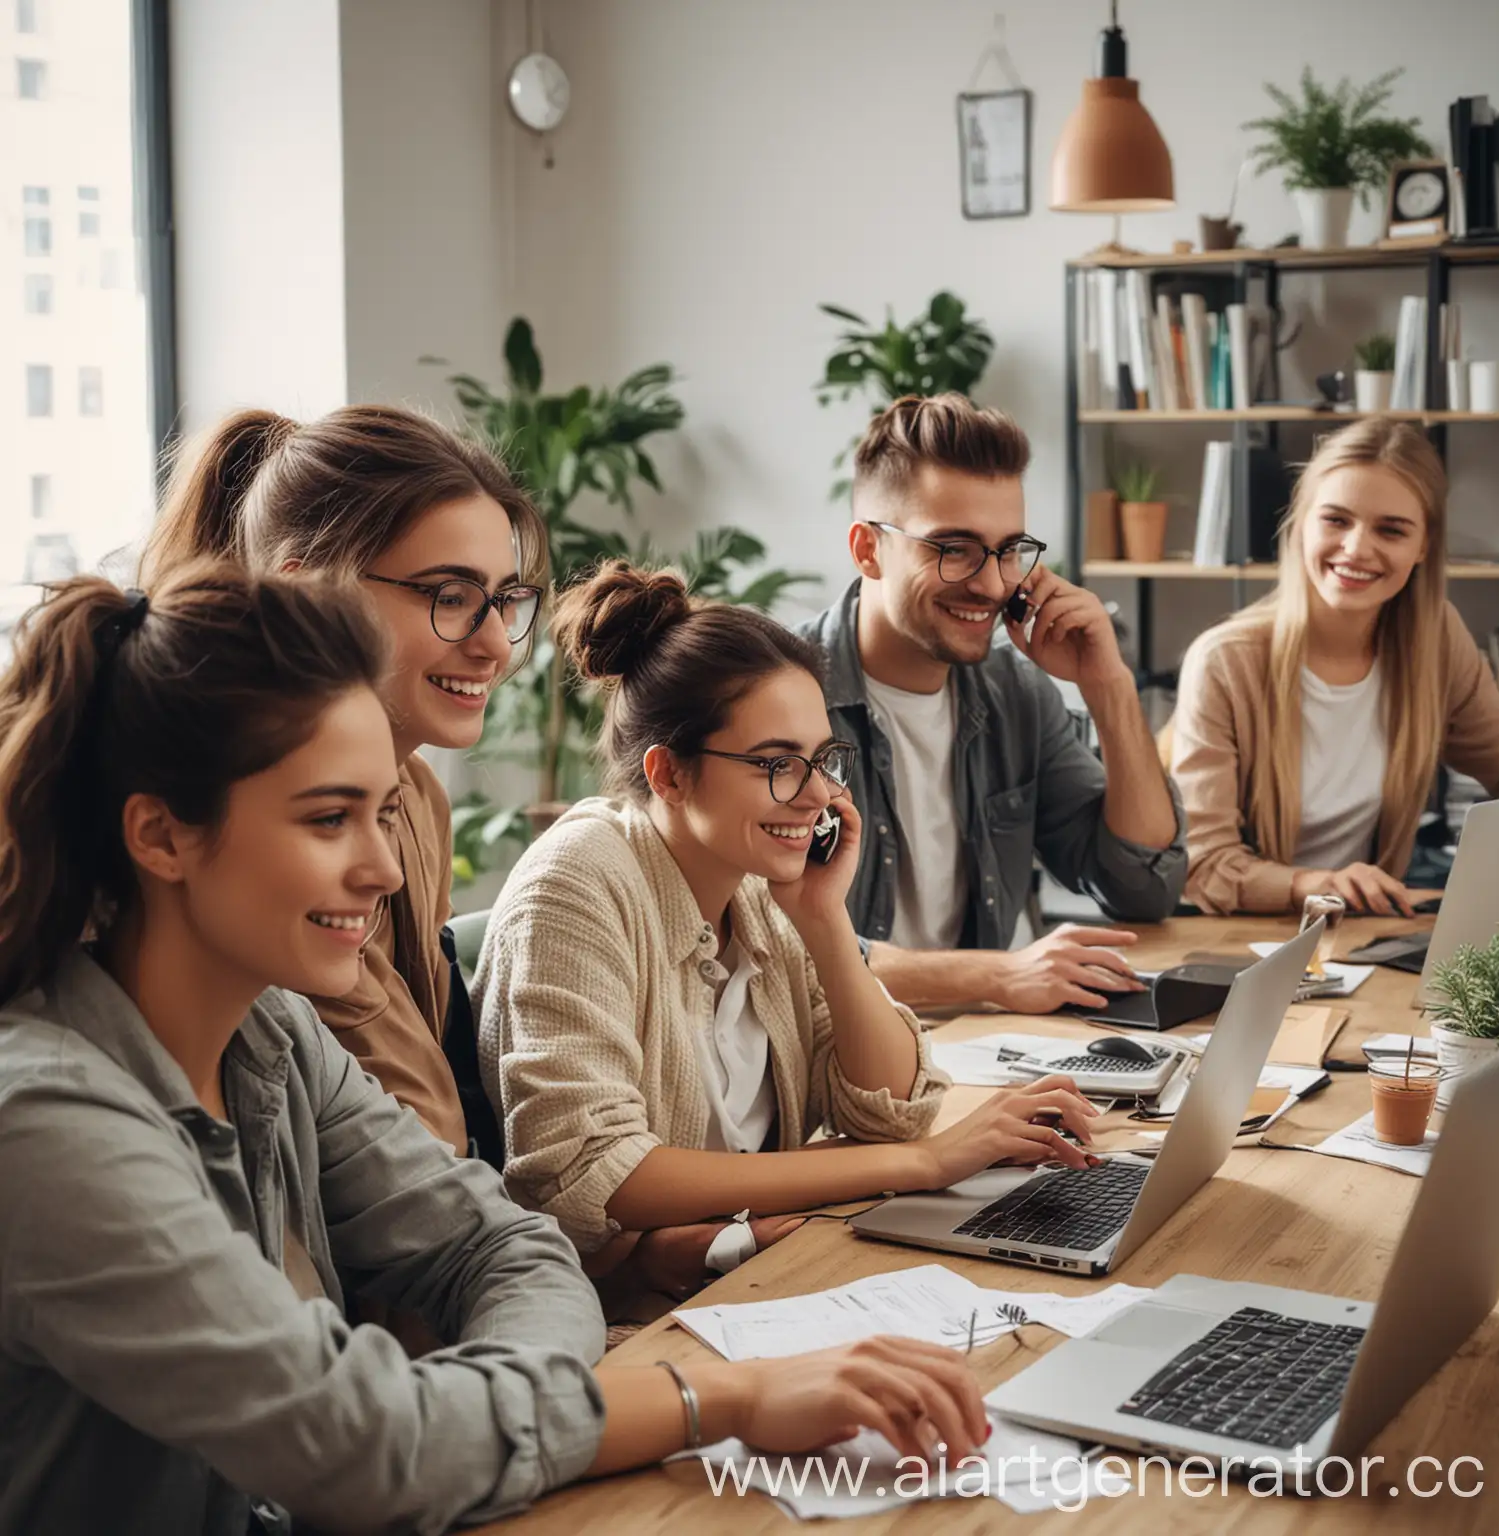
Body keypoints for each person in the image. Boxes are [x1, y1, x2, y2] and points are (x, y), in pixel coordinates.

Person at [0, 566, 991, 1536]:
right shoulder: (43, 1125)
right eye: (329, 818)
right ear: (162, 838)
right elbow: (365, 1445)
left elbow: (504, 1245)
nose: (385, 868)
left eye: (383, 812)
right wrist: (710, 1399)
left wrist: (499, 1408)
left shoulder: (273, 1033)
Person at [475, 561, 1099, 1303]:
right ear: (669, 774)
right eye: (776, 764)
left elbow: (889, 1106)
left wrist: (825, 921)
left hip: (757, 1273)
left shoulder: (758, 888)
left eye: (823, 760)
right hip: (621, 1323)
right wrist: (925, 1166)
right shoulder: (575, 886)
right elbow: (595, 1173)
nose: (819, 796)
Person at [142, 404, 545, 1161]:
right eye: (449, 596)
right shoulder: (232, 843)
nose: (494, 644)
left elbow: (443, 1116)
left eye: (502, 600)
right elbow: (417, 1132)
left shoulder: (419, 798)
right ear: (308, 595)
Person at [798, 393, 1186, 1016]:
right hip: (836, 1066)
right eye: (953, 549)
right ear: (868, 549)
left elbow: (1143, 884)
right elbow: (776, 947)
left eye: (1008, 550)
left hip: (985, 1055)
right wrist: (997, 976)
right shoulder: (781, 702)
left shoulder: (1015, 691)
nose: (991, 582)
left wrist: (1106, 683)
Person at [1169, 415, 1499, 916]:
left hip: (1366, 938)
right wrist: (1313, 884)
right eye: (1336, 520)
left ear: (1423, 546)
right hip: (1242, 938)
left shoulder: (1434, 641)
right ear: (1300, 525)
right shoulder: (1224, 662)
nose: (1357, 548)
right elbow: (1204, 865)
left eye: (1391, 529)